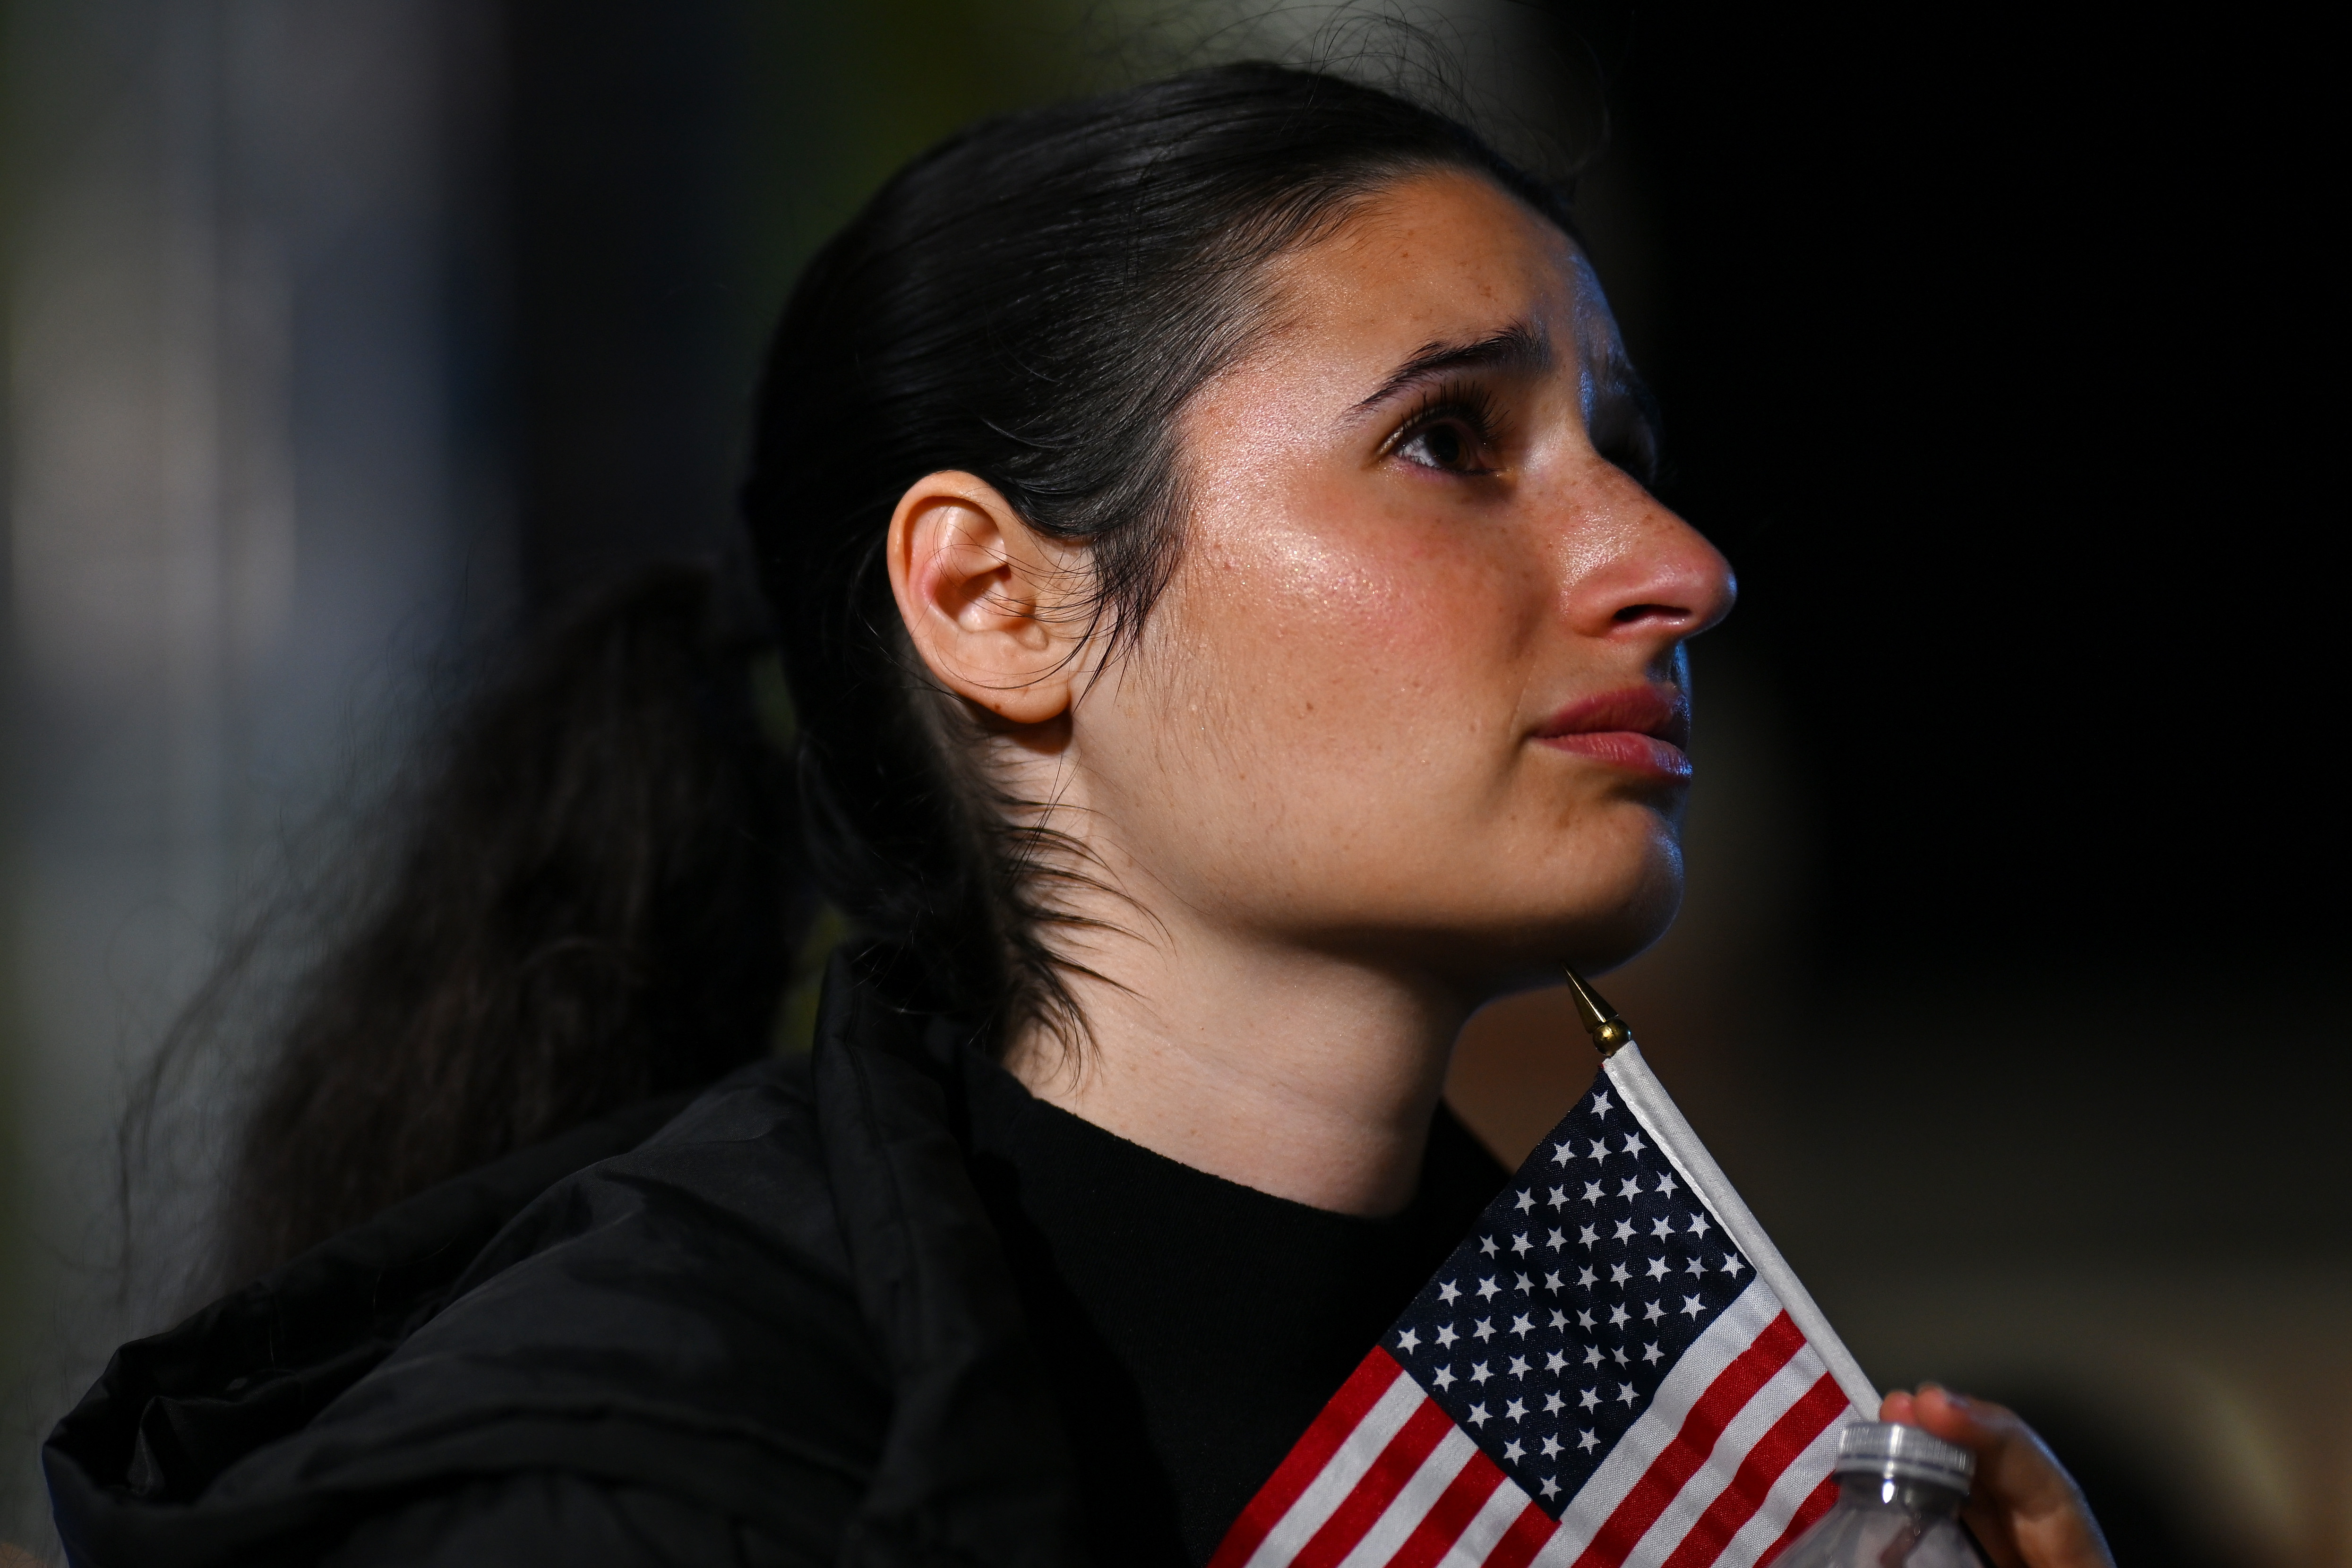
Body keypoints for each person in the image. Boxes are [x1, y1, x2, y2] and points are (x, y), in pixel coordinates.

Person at [45, 62, 2113, 1568]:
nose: (1675, 560)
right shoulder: (613, 1478)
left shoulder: (1676, 1452)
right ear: (993, 598)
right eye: (1453, 439)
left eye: (1625, 445)